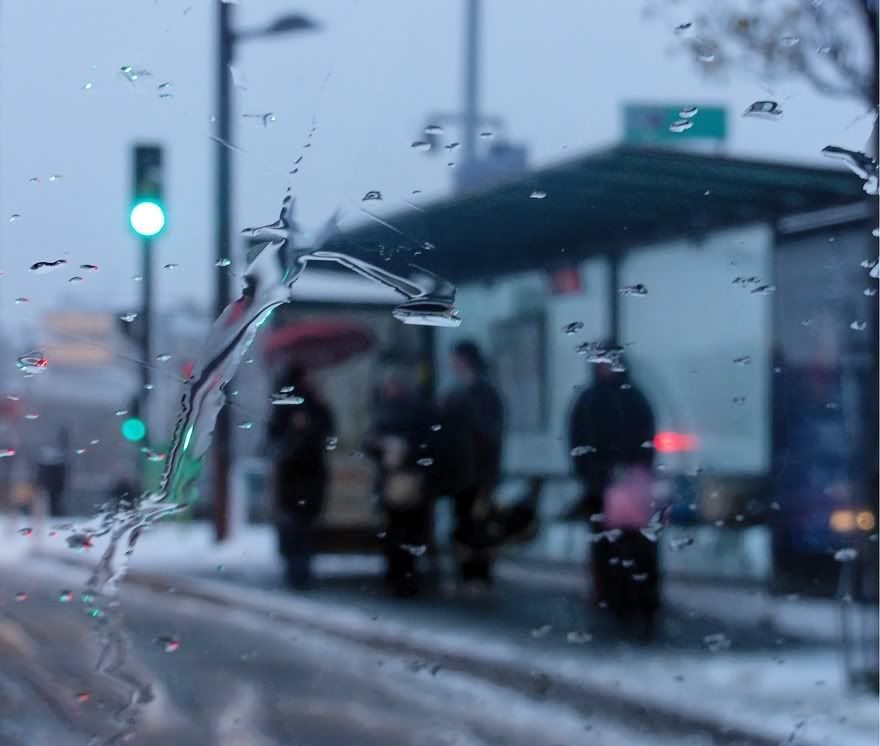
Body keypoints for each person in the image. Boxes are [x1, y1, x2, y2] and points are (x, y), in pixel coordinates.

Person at [568, 350, 658, 627]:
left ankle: (632, 597)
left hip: (622, 484)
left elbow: (578, 439)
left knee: (630, 544)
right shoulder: (624, 397)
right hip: (609, 485)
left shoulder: (596, 398)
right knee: (612, 544)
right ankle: (617, 596)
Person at [364, 363, 435, 596]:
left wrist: (400, 449)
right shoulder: (412, 409)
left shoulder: (405, 410)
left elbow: (428, 443)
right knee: (403, 532)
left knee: (401, 532)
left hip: (406, 479)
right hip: (401, 480)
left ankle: (402, 577)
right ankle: (403, 576)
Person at [440, 340, 504, 586]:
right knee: (467, 522)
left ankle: (476, 574)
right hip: (464, 471)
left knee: (476, 524)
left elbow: (485, 434)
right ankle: (469, 573)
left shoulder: (479, 393)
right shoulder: (463, 391)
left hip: (476, 471)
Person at [267, 362, 334, 589]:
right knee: (299, 525)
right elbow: (275, 439)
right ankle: (298, 569)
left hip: (301, 475)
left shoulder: (311, 403)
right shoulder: (291, 404)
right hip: (299, 474)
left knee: (299, 524)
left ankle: (298, 569)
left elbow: (327, 429)